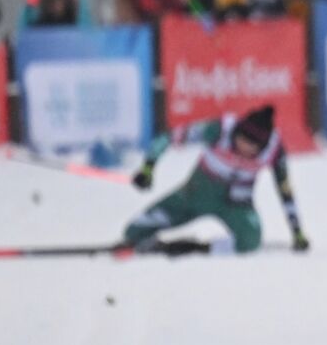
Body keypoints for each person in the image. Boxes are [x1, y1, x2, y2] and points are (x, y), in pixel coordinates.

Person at [124, 105, 309, 256]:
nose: (243, 146)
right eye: (241, 139)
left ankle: (195, 248)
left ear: (262, 145)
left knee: (250, 242)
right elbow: (169, 138)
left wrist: (297, 232)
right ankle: (151, 243)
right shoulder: (220, 129)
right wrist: (147, 168)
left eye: (251, 146)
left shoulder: (275, 151)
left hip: (235, 205)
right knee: (134, 231)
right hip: (195, 194)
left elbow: (285, 192)